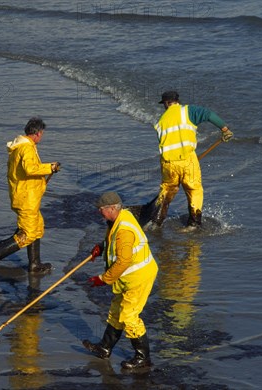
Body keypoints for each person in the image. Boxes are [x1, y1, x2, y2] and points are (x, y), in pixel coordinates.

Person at [82, 191, 159, 370]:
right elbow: (115, 241)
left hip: (138, 277)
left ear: (111, 208)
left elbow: (123, 261)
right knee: (116, 311)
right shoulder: (121, 217)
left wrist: (103, 279)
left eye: (101, 209)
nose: (99, 212)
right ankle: (104, 347)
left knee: (129, 316)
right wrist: (102, 246)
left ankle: (143, 358)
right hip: (128, 278)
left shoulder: (124, 229)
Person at [0, 117, 61, 278]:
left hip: (26, 196)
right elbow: (30, 169)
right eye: (42, 133)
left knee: (37, 228)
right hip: (26, 199)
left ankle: (35, 264)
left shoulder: (20, 147)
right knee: (28, 234)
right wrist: (49, 167)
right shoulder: (27, 149)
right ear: (37, 133)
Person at [152, 90, 233, 227]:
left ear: (166, 103)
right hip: (187, 160)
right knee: (194, 189)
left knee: (167, 190)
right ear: (177, 100)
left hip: (167, 163)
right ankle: (193, 223)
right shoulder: (187, 111)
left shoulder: (161, 121)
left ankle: (156, 221)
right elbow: (209, 115)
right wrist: (224, 129)